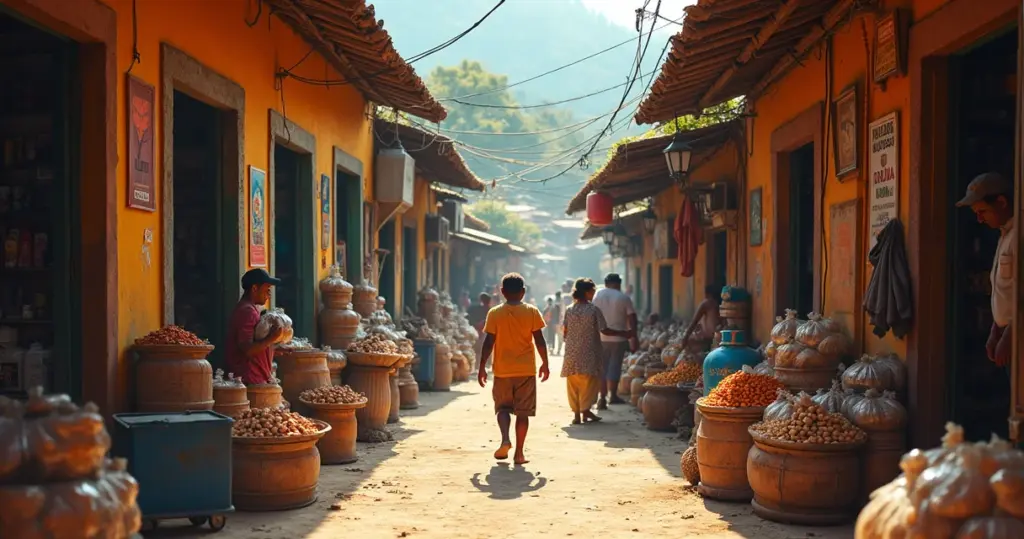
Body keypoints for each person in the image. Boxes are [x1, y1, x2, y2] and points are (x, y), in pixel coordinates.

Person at [478, 273, 550, 465]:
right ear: (523, 292)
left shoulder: (494, 313)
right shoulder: (532, 311)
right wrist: (545, 363)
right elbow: (540, 340)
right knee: (523, 413)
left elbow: (488, 342)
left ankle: (505, 439)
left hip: (502, 370)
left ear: (502, 292)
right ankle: (519, 453)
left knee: (502, 408)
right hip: (525, 370)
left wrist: (482, 366)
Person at [957, 172, 1016, 368]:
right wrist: (995, 330)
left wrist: (1009, 336)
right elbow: (1006, 293)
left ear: (1001, 202)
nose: (980, 219)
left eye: (983, 211)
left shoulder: (1018, 236)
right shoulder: (1004, 235)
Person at [562, 278, 632, 425]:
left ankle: (577, 414)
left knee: (573, 384)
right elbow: (605, 330)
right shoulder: (593, 310)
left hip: (571, 354)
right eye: (592, 291)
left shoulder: (569, 310)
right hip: (590, 353)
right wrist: (623, 333)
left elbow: (565, 331)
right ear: (587, 292)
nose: (594, 294)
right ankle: (585, 410)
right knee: (590, 383)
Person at [226, 268, 287, 384]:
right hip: (249, 378)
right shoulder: (247, 311)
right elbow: (248, 349)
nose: (269, 293)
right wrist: (272, 338)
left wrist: (273, 348)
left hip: (256, 376)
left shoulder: (251, 309)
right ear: (254, 288)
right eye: (267, 289)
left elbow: (256, 344)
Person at [592, 273, 638, 409]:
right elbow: (632, 317)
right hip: (619, 338)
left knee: (602, 368)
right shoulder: (623, 297)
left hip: (599, 337)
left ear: (606, 283)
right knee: (614, 367)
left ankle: (602, 398)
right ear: (618, 283)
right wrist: (633, 335)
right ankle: (612, 395)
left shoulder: (597, 295)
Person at [681, 285, 723, 350]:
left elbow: (694, 321)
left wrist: (685, 337)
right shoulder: (721, 304)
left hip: (709, 337)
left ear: (708, 294)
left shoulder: (707, 303)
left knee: (689, 341)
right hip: (719, 337)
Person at [468, 293, 493, 368]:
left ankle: (481, 365)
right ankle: (479, 365)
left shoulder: (488, 310)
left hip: (484, 332)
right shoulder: (479, 309)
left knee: (481, 349)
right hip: (479, 331)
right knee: (479, 349)